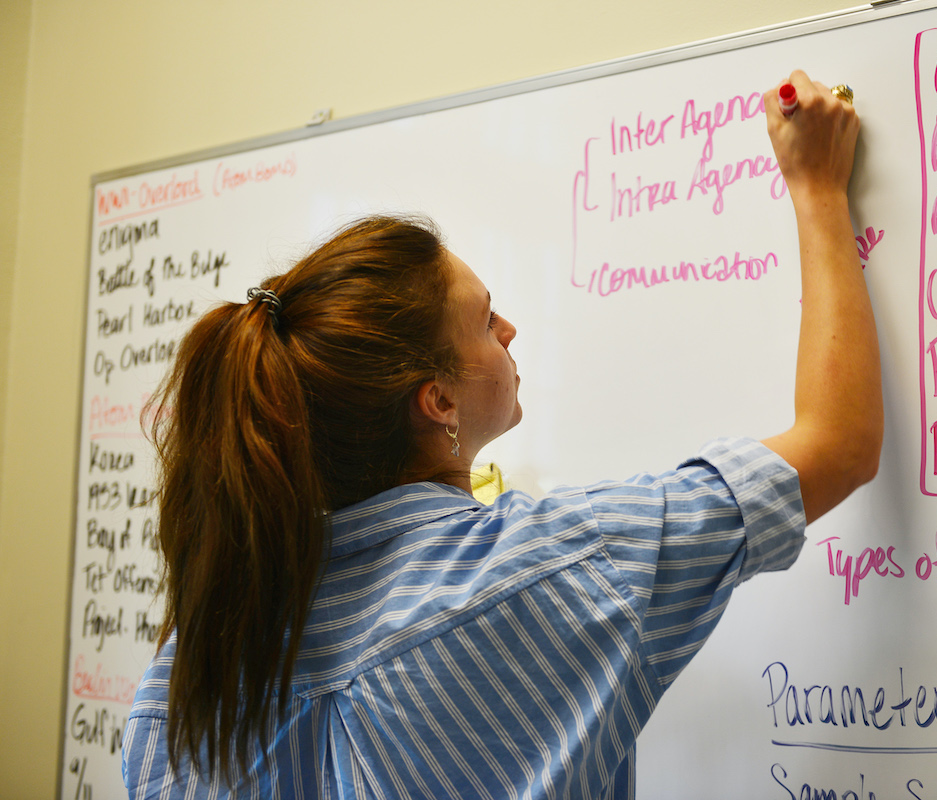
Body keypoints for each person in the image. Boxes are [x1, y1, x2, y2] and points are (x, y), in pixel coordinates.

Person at [123, 69, 882, 799]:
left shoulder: (183, 682)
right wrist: (817, 187)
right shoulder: (551, 568)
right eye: (486, 321)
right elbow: (837, 444)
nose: (510, 329)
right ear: (438, 402)